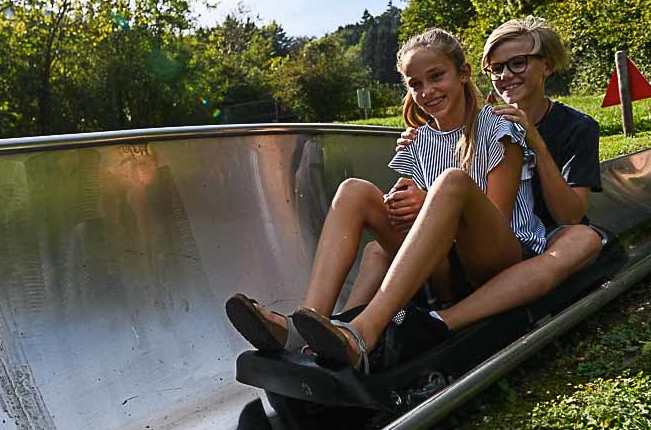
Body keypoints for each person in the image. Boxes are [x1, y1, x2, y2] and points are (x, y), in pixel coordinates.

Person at [227, 28, 546, 371]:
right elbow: (407, 216)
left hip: (500, 259)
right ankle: (305, 325)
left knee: (452, 182)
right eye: (415, 84)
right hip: (444, 271)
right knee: (354, 190)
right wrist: (399, 205)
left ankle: (364, 333)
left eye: (436, 76)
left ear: (463, 73)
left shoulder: (499, 129)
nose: (426, 91)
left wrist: (426, 202)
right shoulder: (418, 142)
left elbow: (496, 216)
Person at [369, 16, 607, 335]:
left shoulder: (576, 127)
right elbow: (453, 181)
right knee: (375, 249)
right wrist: (424, 144)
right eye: (496, 69)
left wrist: (535, 142)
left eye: (518, 64)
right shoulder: (482, 123)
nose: (506, 75)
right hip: (479, 236)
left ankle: (441, 322)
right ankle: (359, 321)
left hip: (541, 235)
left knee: (585, 238)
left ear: (546, 67)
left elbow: (570, 215)